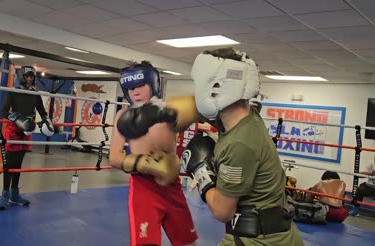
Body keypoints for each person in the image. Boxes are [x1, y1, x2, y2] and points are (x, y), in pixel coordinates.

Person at [117, 48, 304, 245]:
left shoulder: (239, 145)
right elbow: (194, 108)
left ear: (216, 87)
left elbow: (223, 212)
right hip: (273, 234)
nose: (199, 92)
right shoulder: (243, 118)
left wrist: (201, 172)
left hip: (259, 241)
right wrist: (157, 113)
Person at [109, 61, 198, 246]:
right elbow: (115, 157)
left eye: (141, 85)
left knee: (187, 242)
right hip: (143, 187)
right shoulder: (123, 117)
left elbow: (201, 109)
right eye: (130, 88)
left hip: (172, 186)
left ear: (154, 83)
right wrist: (145, 164)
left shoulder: (169, 112)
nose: (136, 92)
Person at [0, 65, 55, 210]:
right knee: (9, 163)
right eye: (27, 76)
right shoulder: (13, 92)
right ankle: (5, 194)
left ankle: (15, 194)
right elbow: (3, 111)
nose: (29, 79)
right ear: (21, 77)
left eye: (31, 77)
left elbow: (42, 111)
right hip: (14, 130)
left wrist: (47, 121)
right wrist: (16, 118)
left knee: (18, 163)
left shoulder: (35, 94)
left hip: (28, 130)